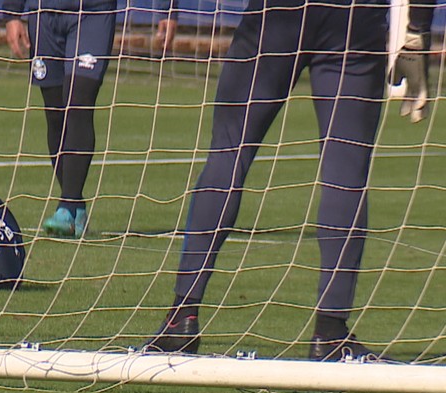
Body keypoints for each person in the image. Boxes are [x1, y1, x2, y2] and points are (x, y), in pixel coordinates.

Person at [143, 0, 436, 361]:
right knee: (346, 169)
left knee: (229, 151)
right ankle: (330, 331)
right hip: (354, 18)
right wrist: (417, 29)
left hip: (278, 14)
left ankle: (182, 316)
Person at [3, 0, 178, 237]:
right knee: (56, 116)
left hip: (93, 12)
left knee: (78, 102)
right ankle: (76, 206)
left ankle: (66, 205)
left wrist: (169, 8)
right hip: (44, 14)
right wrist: (12, 13)